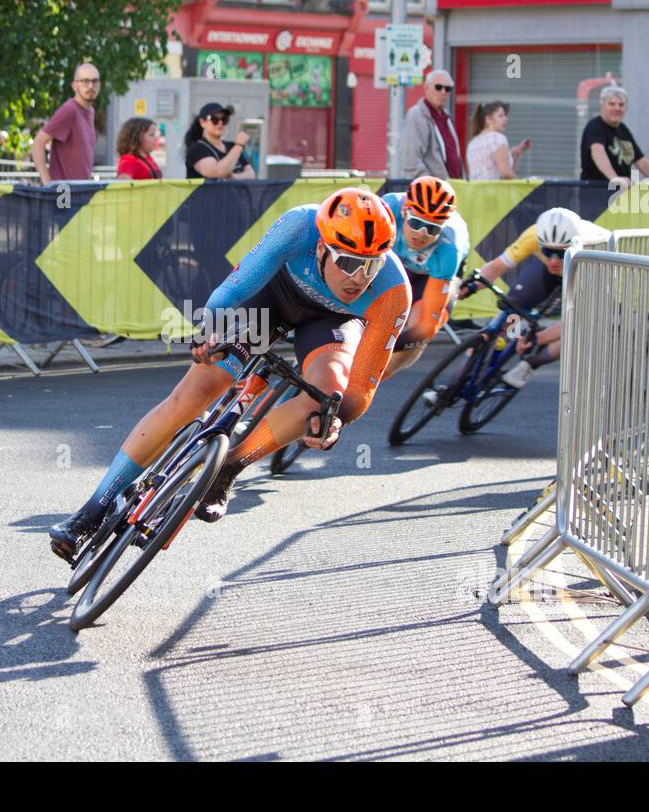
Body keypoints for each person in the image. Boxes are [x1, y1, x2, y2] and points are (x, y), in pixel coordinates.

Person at [48, 187, 411, 561]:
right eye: (349, 262)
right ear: (321, 248)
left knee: (329, 394)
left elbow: (359, 392)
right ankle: (91, 512)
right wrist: (211, 330)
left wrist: (335, 421)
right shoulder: (298, 227)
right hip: (273, 299)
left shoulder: (393, 292)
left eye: (372, 265)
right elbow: (234, 289)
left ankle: (230, 467)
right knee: (195, 393)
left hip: (332, 321)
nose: (360, 277)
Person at [457, 207, 611, 391]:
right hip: (550, 273)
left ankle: (531, 363)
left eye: (561, 253)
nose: (553, 260)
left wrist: (538, 338)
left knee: (580, 331)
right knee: (513, 306)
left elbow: (574, 320)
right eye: (547, 252)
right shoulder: (533, 236)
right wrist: (471, 287)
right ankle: (501, 348)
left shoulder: (592, 250)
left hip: (585, 272)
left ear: (573, 246)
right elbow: (496, 267)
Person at [379, 177, 471, 379]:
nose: (421, 234)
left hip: (433, 274)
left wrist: (385, 349)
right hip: (398, 263)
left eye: (432, 228)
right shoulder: (387, 211)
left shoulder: (449, 247)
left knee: (419, 327)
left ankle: (374, 379)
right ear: (404, 212)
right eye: (416, 222)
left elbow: (425, 328)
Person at [580, 85, 649, 187]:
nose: (617, 108)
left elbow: (641, 161)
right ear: (602, 106)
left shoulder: (623, 129)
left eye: (621, 105)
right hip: (596, 193)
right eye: (611, 104)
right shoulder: (595, 126)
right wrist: (614, 178)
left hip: (620, 195)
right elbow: (598, 152)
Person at [32, 62, 99, 183]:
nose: (90, 86)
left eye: (95, 81)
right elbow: (38, 142)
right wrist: (47, 183)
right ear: (75, 85)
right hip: (64, 193)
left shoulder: (90, 111)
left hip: (81, 191)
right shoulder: (70, 110)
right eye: (85, 81)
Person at [399, 69, 463, 181]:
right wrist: (432, 186)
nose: (443, 92)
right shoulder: (417, 115)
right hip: (433, 193)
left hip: (453, 189)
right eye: (438, 87)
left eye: (448, 89)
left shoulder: (446, 116)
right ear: (426, 87)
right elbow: (411, 161)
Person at [184, 102, 254, 179]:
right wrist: (239, 145)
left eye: (224, 119)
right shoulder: (196, 149)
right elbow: (217, 173)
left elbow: (251, 174)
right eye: (214, 119)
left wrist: (234, 177)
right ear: (202, 122)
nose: (220, 123)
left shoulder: (232, 146)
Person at [465, 101, 532, 180]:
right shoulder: (497, 138)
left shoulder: (473, 143)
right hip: (495, 191)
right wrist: (522, 186)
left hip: (475, 191)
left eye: (505, 116)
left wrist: (516, 151)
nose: (505, 119)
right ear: (488, 119)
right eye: (500, 116)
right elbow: (506, 173)